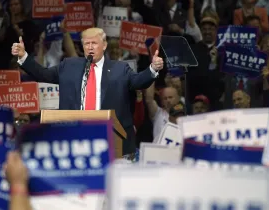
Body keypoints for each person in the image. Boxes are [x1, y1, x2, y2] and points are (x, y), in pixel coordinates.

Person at [11, 27, 164, 154]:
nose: (90, 47)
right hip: (74, 136)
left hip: (111, 137)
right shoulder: (68, 66)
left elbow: (138, 81)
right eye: (86, 44)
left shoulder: (120, 69)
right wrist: (24, 57)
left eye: (94, 43)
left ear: (104, 45)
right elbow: (42, 74)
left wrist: (152, 69)